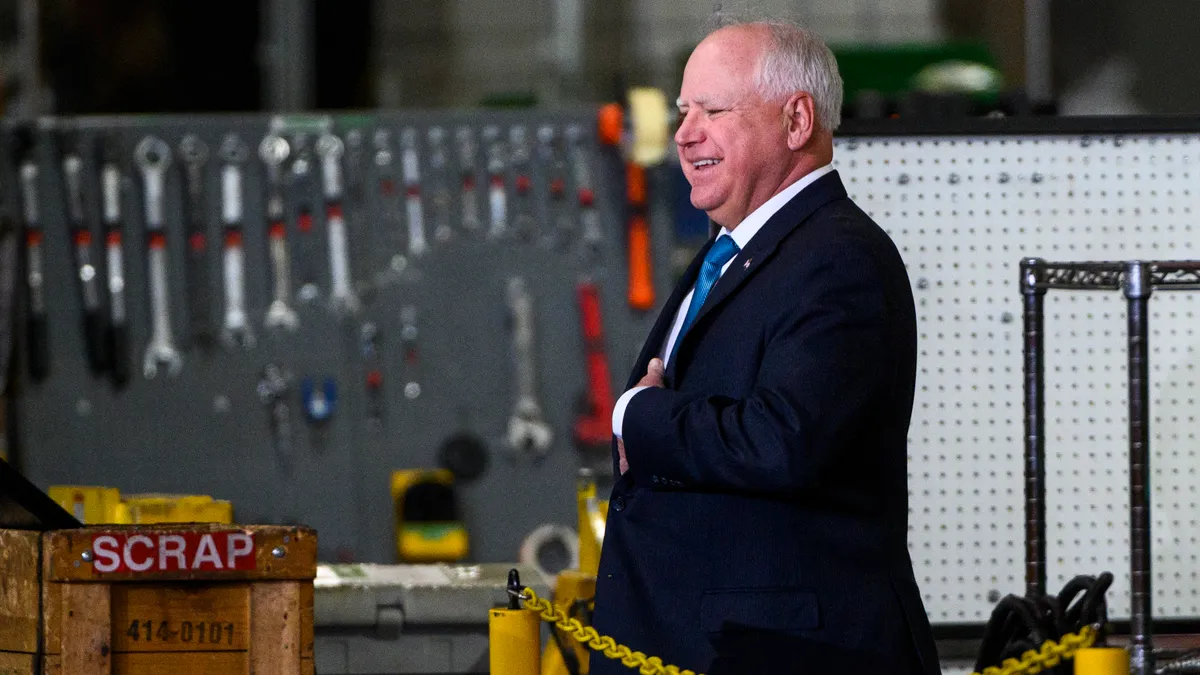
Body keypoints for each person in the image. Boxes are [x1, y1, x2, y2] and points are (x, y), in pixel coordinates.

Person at [589, 17, 942, 675]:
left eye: (714, 110)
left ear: (797, 121)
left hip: (783, 654)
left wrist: (639, 417)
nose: (685, 132)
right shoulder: (732, 254)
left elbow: (782, 441)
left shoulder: (838, 260)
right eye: (683, 110)